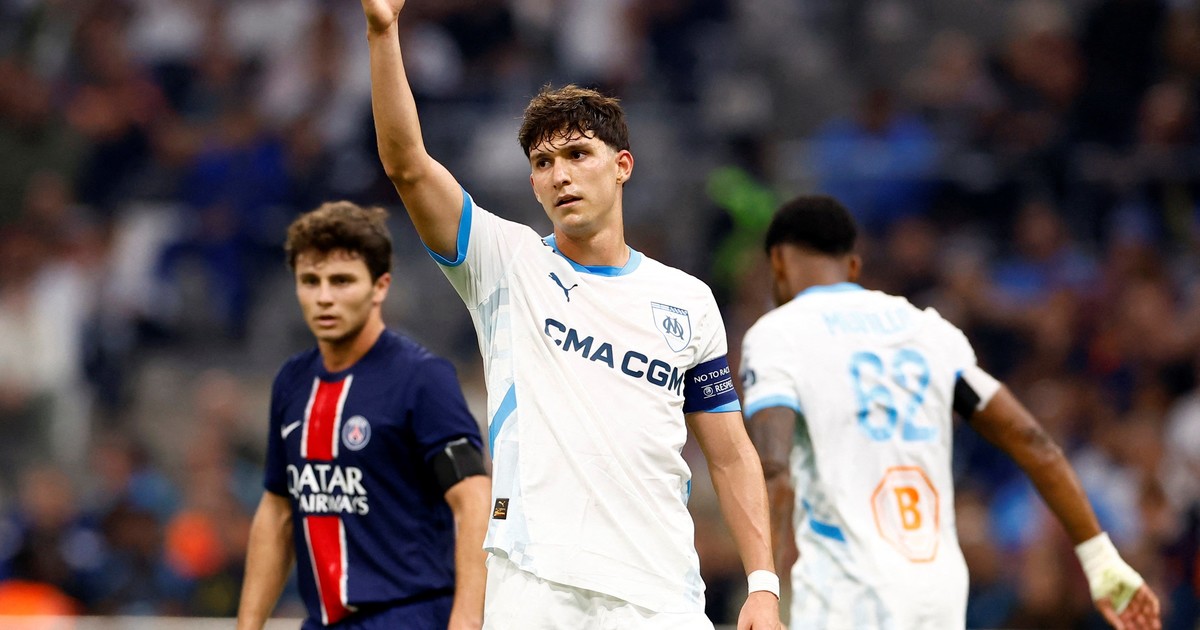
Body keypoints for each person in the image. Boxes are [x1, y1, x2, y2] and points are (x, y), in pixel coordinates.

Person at [359, 1, 783, 628]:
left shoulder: (688, 300)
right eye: (543, 163)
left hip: (661, 593)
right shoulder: (506, 263)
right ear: (533, 184)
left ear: (622, 166)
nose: (560, 175)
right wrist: (383, 31)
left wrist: (763, 584)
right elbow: (407, 164)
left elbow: (729, 453)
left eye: (578, 154)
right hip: (536, 585)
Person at [740, 195, 1161, 629]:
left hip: (849, 593)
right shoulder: (928, 331)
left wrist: (763, 589)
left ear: (778, 263)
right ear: (852, 266)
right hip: (937, 593)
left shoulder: (777, 335)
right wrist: (1101, 562)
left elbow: (774, 470)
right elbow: (1032, 441)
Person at [236, 202, 491, 630]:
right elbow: (278, 510)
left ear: (380, 287)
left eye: (341, 281)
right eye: (310, 281)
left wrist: (466, 621)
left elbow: (474, 499)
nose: (324, 297)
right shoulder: (292, 381)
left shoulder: (422, 378)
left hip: (410, 616)